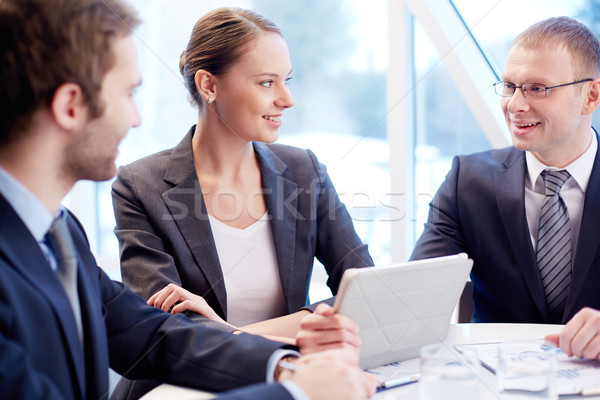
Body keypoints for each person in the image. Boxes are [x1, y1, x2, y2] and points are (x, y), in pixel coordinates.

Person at [0, 1, 378, 399]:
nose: (136, 118)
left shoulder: (59, 233)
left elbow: (151, 333)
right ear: (70, 105)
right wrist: (298, 393)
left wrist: (283, 368)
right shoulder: (131, 188)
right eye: (129, 93)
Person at [111, 8, 373, 343]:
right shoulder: (139, 186)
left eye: (286, 80)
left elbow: (367, 293)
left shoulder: (304, 172)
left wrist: (233, 333)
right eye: (267, 82)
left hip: (289, 373)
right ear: (209, 85)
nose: (287, 99)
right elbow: (167, 332)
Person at [410, 16, 600, 324]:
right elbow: (414, 294)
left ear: (590, 96)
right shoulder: (467, 182)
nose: (514, 105)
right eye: (510, 86)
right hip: (493, 369)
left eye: (537, 88)